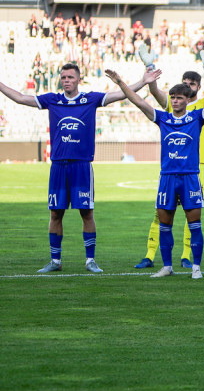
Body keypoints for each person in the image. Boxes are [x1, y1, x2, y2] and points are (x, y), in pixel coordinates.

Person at [0, 62, 146, 274]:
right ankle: (55, 261)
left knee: (86, 213)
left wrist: (142, 81)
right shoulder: (52, 100)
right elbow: (21, 98)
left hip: (82, 166)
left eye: (70, 77)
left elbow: (120, 96)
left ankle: (90, 260)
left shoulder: (91, 99)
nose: (66, 80)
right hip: (59, 166)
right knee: (55, 214)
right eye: (64, 77)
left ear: (79, 79)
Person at [107, 68, 204, 278]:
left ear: (187, 99)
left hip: (190, 177)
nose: (174, 101)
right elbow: (139, 102)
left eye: (179, 98)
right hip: (167, 178)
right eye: (172, 97)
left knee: (194, 225)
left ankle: (196, 267)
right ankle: (167, 266)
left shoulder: (196, 118)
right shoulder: (163, 118)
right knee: (165, 225)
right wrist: (120, 82)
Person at [133, 43, 204, 270]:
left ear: (198, 88)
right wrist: (149, 66)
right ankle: (150, 255)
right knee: (161, 213)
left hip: (196, 165)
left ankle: (185, 255)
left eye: (192, 84)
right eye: (185, 83)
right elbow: (153, 92)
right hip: (172, 166)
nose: (188, 87)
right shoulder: (173, 104)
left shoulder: (202, 106)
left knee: (191, 216)